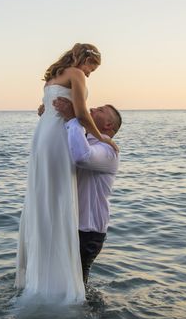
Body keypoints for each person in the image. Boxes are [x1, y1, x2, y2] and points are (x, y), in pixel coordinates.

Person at [15, 43, 117, 304]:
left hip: (42, 137)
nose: (89, 75)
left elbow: (59, 116)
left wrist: (49, 113)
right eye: (91, 69)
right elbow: (81, 114)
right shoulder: (76, 74)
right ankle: (65, 283)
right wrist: (103, 139)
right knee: (59, 193)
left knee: (46, 192)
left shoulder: (52, 78)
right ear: (87, 60)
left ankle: (43, 269)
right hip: (55, 135)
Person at [52, 97, 121, 285]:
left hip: (87, 231)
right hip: (71, 225)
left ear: (108, 125)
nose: (91, 108)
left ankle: (89, 314)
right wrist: (51, 116)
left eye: (99, 109)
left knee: (76, 287)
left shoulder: (107, 149)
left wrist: (72, 119)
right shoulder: (81, 138)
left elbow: (82, 157)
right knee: (63, 284)